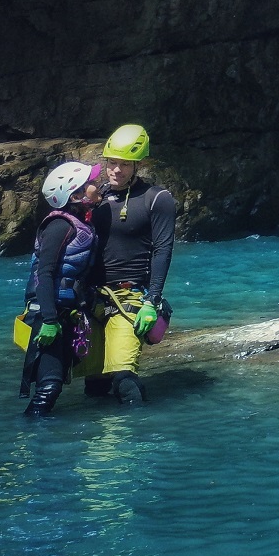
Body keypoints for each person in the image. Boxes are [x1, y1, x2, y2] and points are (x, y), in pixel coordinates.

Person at [87, 123, 177, 405]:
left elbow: (163, 250)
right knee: (94, 386)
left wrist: (152, 301)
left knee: (124, 380)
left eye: (124, 164)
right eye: (112, 162)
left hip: (129, 297)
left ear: (138, 164)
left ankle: (131, 442)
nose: (116, 170)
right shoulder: (95, 197)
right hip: (92, 299)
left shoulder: (157, 199)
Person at [18, 161, 102, 419]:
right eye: (89, 183)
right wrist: (50, 319)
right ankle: (28, 439)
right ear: (75, 195)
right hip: (48, 315)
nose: (95, 185)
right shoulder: (59, 226)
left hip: (66, 313)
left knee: (56, 382)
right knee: (50, 386)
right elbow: (45, 274)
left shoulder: (79, 222)